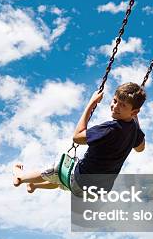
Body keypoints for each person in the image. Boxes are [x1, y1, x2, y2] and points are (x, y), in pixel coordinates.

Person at [13, 82, 146, 194]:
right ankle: (35, 186)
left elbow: (77, 137)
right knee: (62, 179)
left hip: (81, 181)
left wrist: (91, 103)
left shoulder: (110, 129)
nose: (115, 106)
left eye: (122, 105)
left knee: (57, 169)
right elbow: (140, 148)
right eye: (115, 101)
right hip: (97, 191)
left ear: (134, 111)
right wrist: (135, 119)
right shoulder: (134, 130)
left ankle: (20, 178)